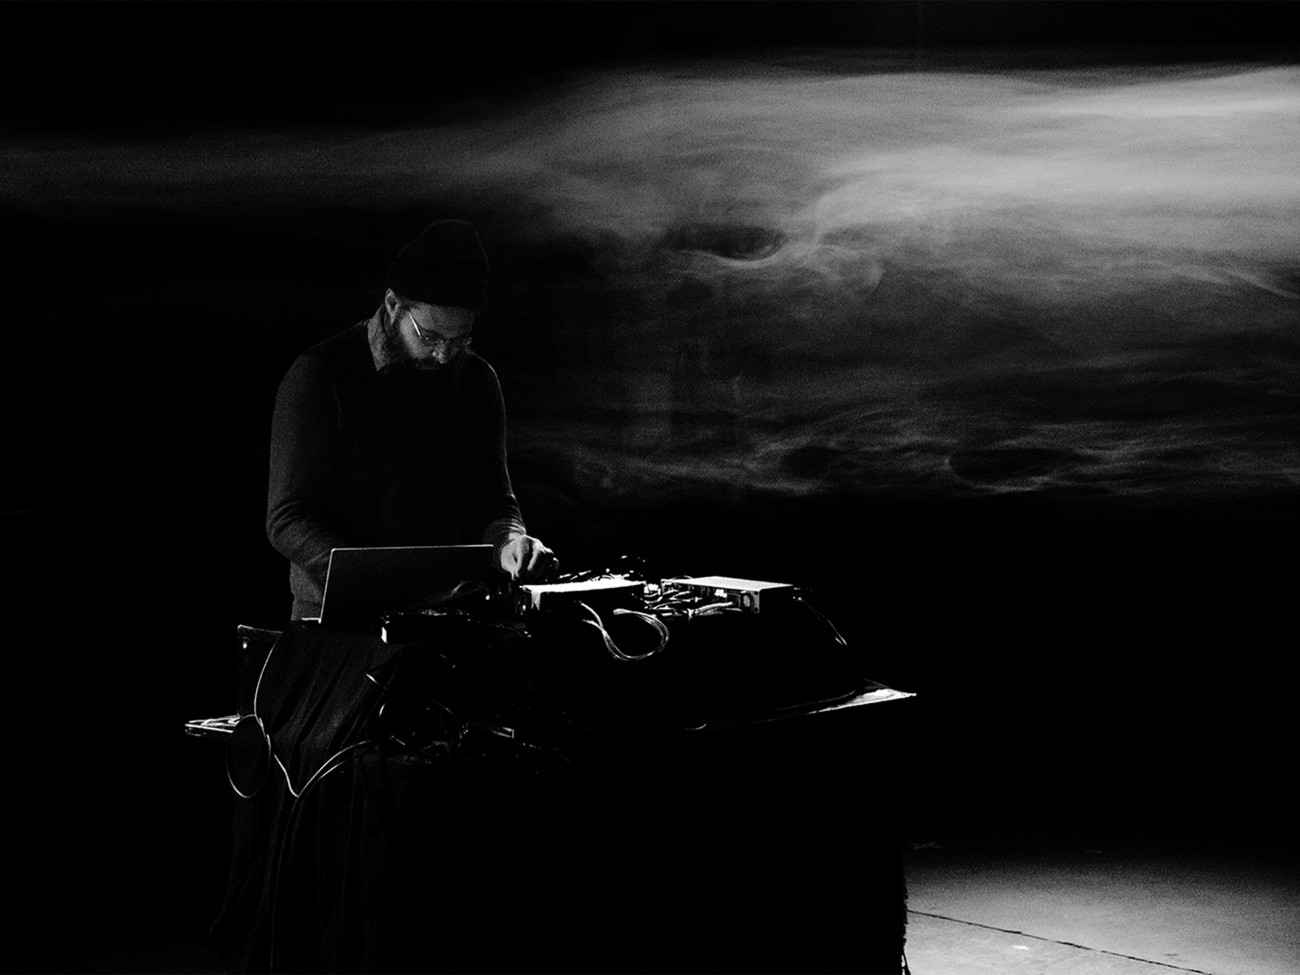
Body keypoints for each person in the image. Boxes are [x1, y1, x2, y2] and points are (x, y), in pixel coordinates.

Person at [266, 218, 555, 620]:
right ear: (392, 306)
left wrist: (511, 544)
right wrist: (368, 578)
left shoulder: (478, 381)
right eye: (430, 336)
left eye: (459, 340)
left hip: (449, 613)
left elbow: (495, 504)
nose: (443, 355)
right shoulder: (321, 375)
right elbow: (287, 517)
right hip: (338, 620)